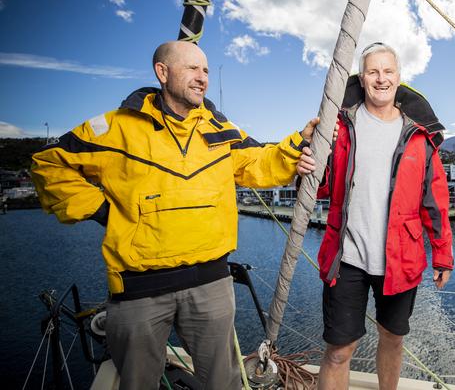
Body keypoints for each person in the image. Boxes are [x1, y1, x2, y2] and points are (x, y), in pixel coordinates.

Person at [31, 40, 318, 390]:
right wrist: (106, 211)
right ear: (162, 72)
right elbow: (48, 165)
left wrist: (298, 142)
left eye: (206, 71)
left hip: (211, 282)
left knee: (224, 383)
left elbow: (261, 163)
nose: (202, 78)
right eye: (193, 69)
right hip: (138, 289)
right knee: (137, 383)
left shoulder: (220, 129)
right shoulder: (116, 128)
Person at [316, 43, 454, 390]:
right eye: (373, 72)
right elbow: (317, 184)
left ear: (398, 77)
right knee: (338, 351)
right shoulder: (338, 128)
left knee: (392, 339)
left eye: (388, 71)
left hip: (401, 259)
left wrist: (442, 255)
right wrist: (310, 157)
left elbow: (435, 202)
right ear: (362, 79)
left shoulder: (420, 138)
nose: (381, 79)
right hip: (345, 258)